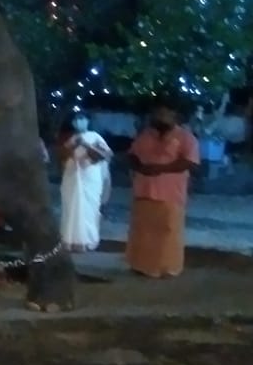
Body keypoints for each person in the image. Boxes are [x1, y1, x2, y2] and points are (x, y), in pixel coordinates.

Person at [126, 103, 200, 278]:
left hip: (170, 193)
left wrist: (161, 169)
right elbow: (131, 155)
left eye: (164, 114)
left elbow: (190, 162)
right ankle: (141, 266)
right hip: (144, 190)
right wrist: (140, 167)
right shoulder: (145, 135)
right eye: (157, 113)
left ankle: (167, 268)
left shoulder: (186, 137)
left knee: (168, 231)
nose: (159, 117)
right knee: (143, 231)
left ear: (175, 116)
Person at [58, 112, 113, 252]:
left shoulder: (95, 136)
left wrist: (85, 145)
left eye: (82, 119)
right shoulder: (72, 138)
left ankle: (87, 240)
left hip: (90, 177)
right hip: (72, 176)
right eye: (76, 119)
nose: (79, 122)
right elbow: (61, 156)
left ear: (88, 121)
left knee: (88, 209)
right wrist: (72, 147)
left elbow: (104, 155)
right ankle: (69, 240)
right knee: (71, 208)